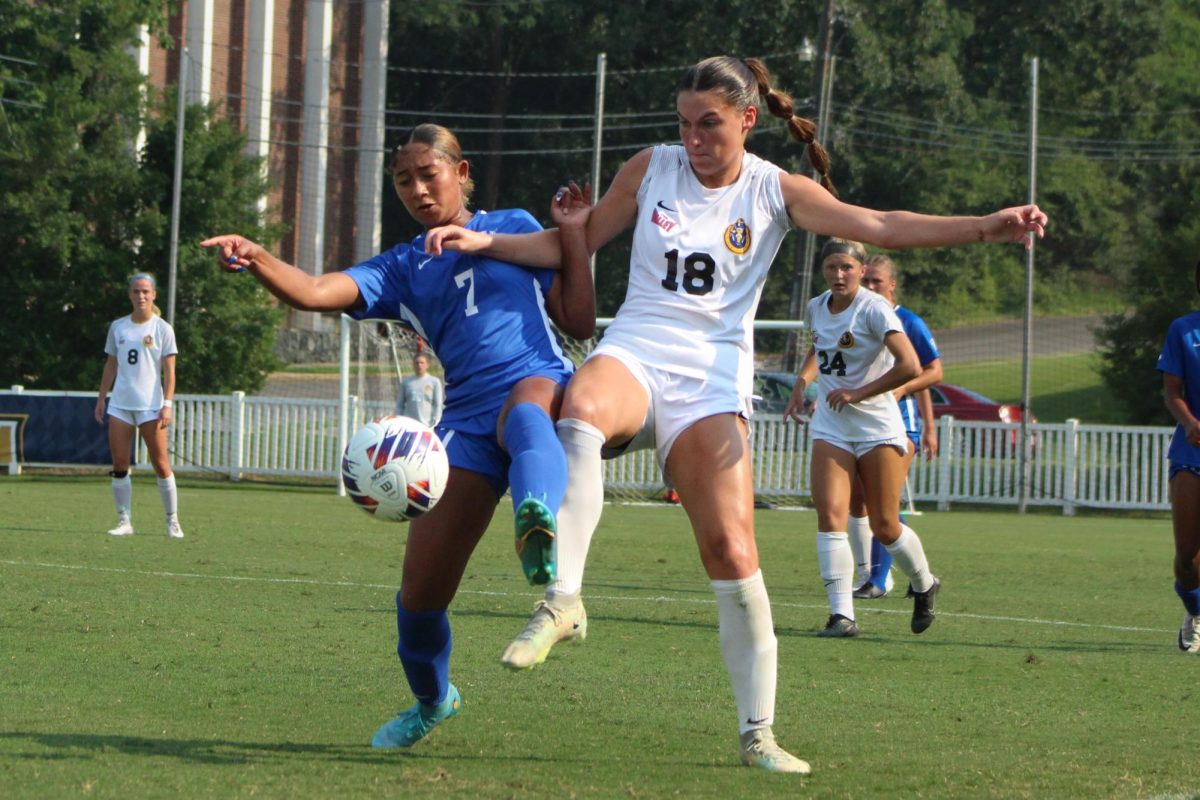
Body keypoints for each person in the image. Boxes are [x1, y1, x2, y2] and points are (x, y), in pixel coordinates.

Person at [422, 55, 1046, 775]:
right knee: (583, 406)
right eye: (684, 124)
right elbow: (578, 241)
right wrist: (486, 241)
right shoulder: (649, 168)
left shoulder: (775, 190)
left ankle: (759, 734)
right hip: (638, 347)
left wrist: (986, 227)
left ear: (747, 119)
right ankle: (564, 602)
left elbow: (880, 223)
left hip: (712, 377)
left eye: (709, 124)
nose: (693, 139)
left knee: (731, 552)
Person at [200, 122, 595, 748]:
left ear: (461, 173)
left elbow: (579, 318)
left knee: (525, 414)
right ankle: (434, 700)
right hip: (461, 425)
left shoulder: (515, 226)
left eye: (427, 174)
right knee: (417, 601)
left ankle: (537, 521)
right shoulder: (406, 266)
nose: (415, 188)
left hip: (536, 379)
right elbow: (316, 291)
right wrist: (257, 256)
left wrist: (574, 239)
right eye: (403, 181)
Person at [792, 240, 939, 640]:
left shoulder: (875, 309)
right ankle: (842, 615)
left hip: (876, 426)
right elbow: (820, 349)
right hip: (832, 425)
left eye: (846, 267)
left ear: (859, 269)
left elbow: (910, 365)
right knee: (830, 518)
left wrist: (859, 393)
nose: (838, 275)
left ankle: (925, 583)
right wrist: (802, 382)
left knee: (885, 524)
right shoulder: (816, 307)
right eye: (831, 267)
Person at [848, 254, 943, 602]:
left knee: (884, 500)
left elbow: (930, 373)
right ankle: (908, 574)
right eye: (866, 280)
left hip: (900, 425)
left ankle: (878, 579)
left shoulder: (907, 321)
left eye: (877, 281)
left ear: (892, 285)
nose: (870, 286)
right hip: (862, 423)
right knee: (859, 501)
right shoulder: (856, 317)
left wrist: (925, 423)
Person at [94, 273, 185, 540]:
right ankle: (125, 521)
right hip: (121, 405)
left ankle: (172, 521)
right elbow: (111, 364)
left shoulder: (162, 329)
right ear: (130, 295)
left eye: (145, 291)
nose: (141, 296)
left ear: (154, 294)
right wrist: (101, 398)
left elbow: (170, 372)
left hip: (151, 407)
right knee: (120, 462)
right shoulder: (118, 327)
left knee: (160, 463)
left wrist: (167, 405)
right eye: (136, 291)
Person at [1157, 269, 1200, 653]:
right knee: (1187, 558)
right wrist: (1189, 423)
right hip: (1192, 454)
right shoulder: (1184, 330)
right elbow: (1172, 392)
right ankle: (1195, 612)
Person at [396, 353, 444, 428]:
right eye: (417, 363)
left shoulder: (434, 382)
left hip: (426, 426)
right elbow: (399, 405)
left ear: (427, 365)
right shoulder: (406, 382)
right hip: (408, 426)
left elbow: (438, 405)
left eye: (422, 363)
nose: (419, 365)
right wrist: (399, 420)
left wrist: (436, 421)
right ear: (413, 365)